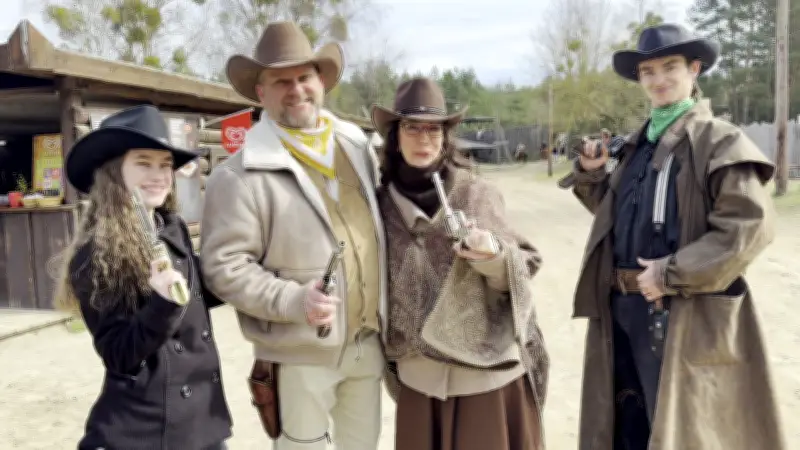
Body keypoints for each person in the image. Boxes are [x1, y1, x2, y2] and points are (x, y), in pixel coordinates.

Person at [566, 24, 785, 450]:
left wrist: (672, 273)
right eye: (648, 71)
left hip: (684, 312)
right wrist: (592, 176)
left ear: (694, 70)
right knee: (626, 426)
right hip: (621, 310)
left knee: (682, 432)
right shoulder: (637, 145)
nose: (658, 79)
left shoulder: (719, 141)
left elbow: (748, 226)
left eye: (670, 67)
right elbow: (621, 218)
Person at [200, 22, 386, 450]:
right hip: (297, 356)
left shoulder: (357, 146)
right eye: (281, 81)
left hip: (367, 345)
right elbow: (224, 268)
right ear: (260, 92)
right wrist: (292, 300)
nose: (296, 90)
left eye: (304, 77)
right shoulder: (237, 175)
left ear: (321, 82)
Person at [372, 77, 549, 450]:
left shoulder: (476, 193)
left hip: (485, 378)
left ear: (445, 136)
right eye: (412, 128)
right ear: (395, 136)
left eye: (433, 129)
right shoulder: (379, 206)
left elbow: (523, 266)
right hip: (419, 380)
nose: (424, 139)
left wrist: (492, 256)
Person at [53, 105, 233, 450]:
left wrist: (241, 267)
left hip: (202, 420)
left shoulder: (172, 227)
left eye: (165, 165)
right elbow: (119, 354)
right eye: (143, 163)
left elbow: (198, 294)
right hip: (147, 430)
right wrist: (162, 303)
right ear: (114, 172)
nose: (159, 175)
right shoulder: (96, 254)